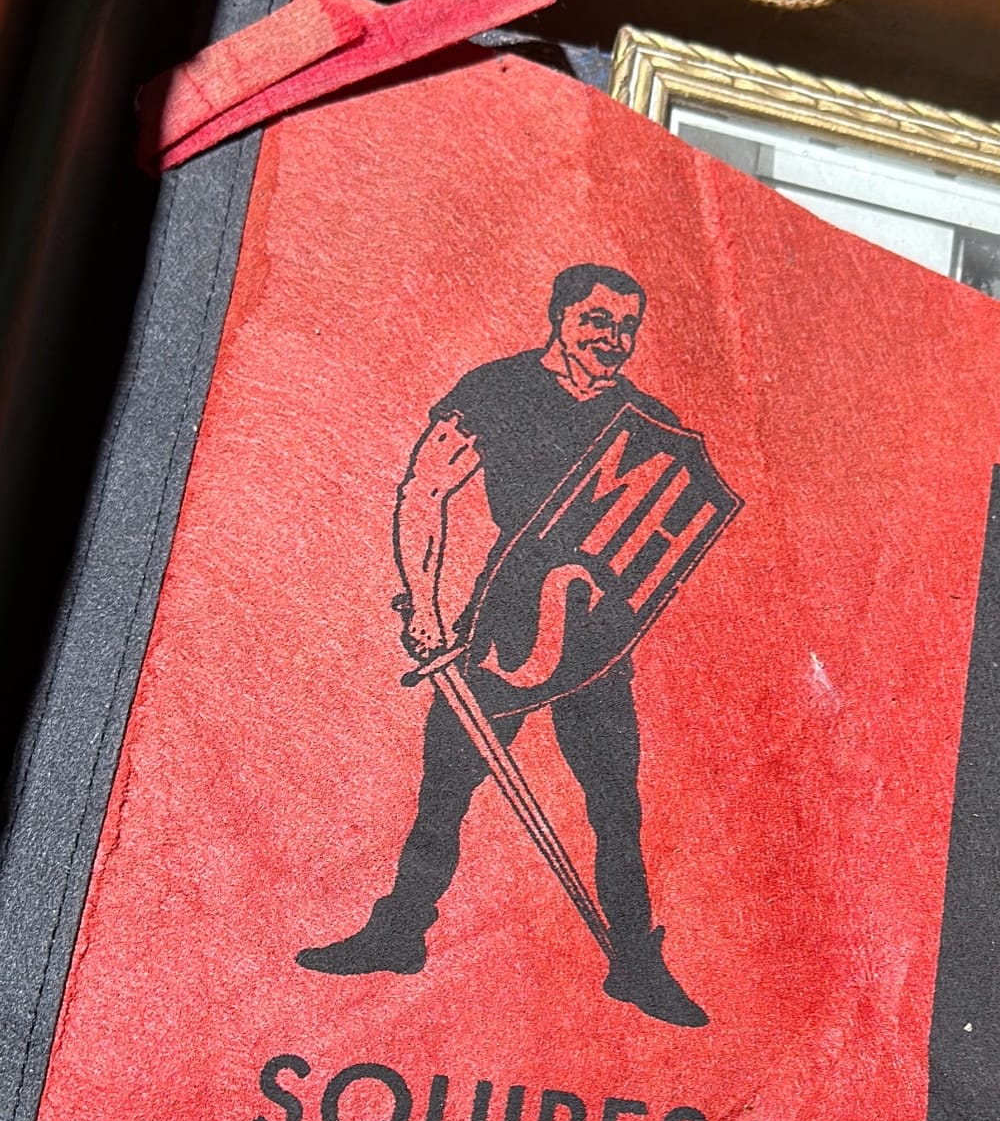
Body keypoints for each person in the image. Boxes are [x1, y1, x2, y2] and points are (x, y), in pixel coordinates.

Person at [296, 264, 708, 1028]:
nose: (613, 340)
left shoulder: (648, 423)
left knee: (616, 808)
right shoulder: (496, 390)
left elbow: (668, 535)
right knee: (447, 789)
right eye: (597, 320)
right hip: (504, 623)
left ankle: (637, 964)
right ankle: (398, 933)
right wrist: (424, 604)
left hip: (597, 641)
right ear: (560, 317)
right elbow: (425, 490)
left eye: (627, 327)